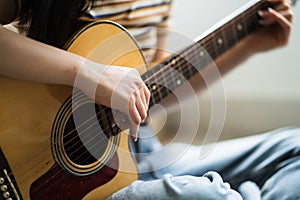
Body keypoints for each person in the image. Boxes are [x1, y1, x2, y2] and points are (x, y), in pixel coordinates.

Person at [0, 0, 297, 199]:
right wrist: (90, 73)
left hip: (137, 151)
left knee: (294, 148)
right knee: (203, 195)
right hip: (43, 164)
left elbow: (153, 94)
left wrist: (249, 46)